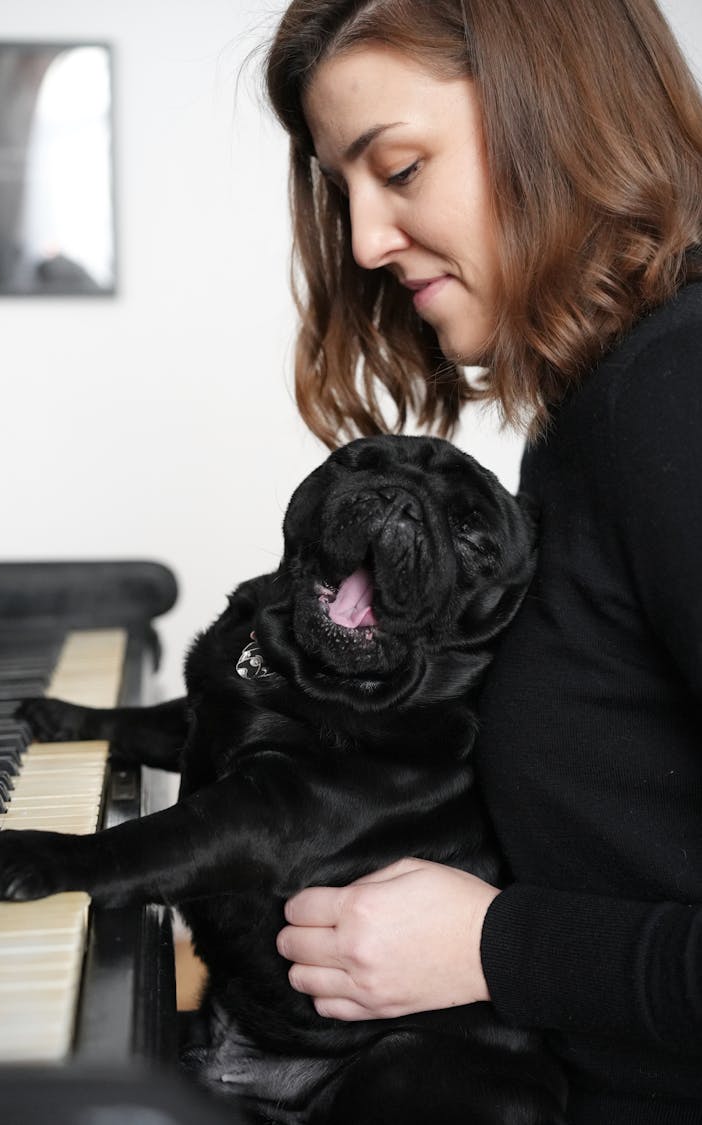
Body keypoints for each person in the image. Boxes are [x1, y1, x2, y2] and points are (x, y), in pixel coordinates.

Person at [262, 1, 702, 1122]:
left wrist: (505, 947)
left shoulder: (676, 397)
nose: (363, 241)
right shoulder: (608, 402)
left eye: (400, 167)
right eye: (344, 189)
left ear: (557, 116)